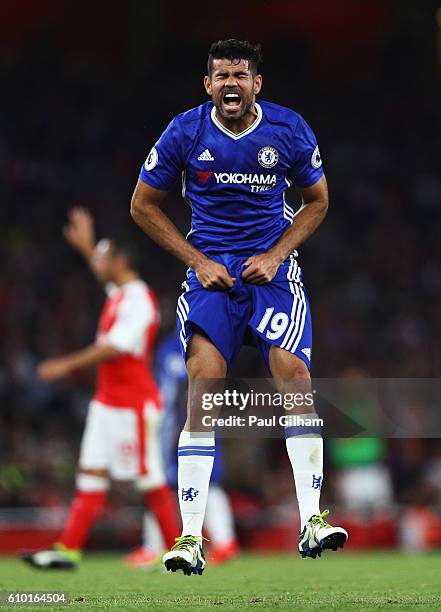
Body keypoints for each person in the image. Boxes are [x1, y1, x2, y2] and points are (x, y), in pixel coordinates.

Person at [131, 39, 348, 575]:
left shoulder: (287, 129)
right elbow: (141, 205)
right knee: (203, 388)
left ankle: (312, 521)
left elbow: (317, 200)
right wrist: (196, 259)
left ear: (257, 84)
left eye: (241, 74)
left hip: (270, 275)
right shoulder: (185, 131)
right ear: (208, 86)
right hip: (212, 276)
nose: (231, 83)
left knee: (294, 377)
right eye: (222, 75)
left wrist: (277, 254)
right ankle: (188, 538)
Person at [22, 208, 179, 569]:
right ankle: (68, 550)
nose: (99, 262)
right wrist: (88, 246)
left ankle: (178, 550)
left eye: (105, 256)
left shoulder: (140, 299)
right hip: (107, 403)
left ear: (121, 260)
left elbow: (114, 348)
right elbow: (101, 269)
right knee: (91, 473)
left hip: (132, 405)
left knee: (148, 478)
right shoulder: (120, 292)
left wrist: (64, 364)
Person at [124, 331, 239, 569]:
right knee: (193, 481)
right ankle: (224, 542)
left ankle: (154, 548)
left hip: (179, 424)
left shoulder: (174, 347)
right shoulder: (207, 338)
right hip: (194, 421)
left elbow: (169, 391)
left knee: (164, 482)